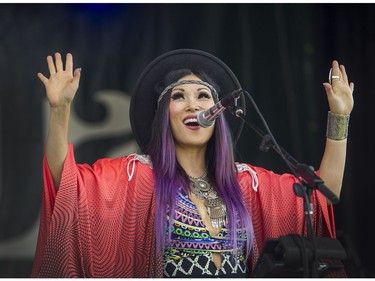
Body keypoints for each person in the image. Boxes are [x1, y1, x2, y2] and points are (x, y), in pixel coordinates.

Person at [31, 49, 354, 278]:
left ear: (218, 114)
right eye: (178, 96)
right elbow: (67, 185)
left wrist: (339, 118)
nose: (192, 105)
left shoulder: (246, 184)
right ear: (164, 115)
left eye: (203, 96)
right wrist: (60, 111)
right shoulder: (137, 176)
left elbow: (322, 195)